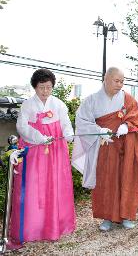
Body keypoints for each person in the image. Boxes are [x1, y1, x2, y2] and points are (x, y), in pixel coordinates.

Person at [72, 67, 138, 231]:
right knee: (106, 181)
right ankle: (107, 217)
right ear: (106, 79)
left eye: (122, 81)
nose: (120, 84)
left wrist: (127, 125)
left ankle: (126, 215)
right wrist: (99, 130)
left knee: (127, 178)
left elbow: (136, 117)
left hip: (125, 145)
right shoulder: (92, 100)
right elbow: (82, 121)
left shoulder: (127, 98)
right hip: (103, 146)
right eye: (116, 81)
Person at [10, 69, 75, 246]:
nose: (45, 91)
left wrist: (69, 135)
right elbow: (22, 127)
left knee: (55, 184)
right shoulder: (27, 105)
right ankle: (34, 228)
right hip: (35, 149)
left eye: (48, 87)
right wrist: (39, 136)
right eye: (41, 87)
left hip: (55, 151)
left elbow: (66, 124)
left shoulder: (59, 104)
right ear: (35, 87)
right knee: (33, 186)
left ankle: (57, 226)